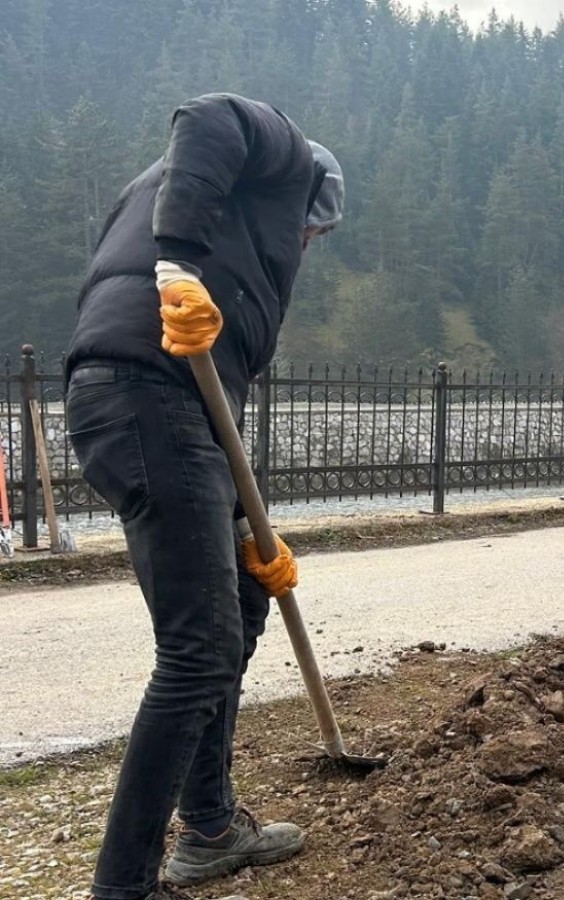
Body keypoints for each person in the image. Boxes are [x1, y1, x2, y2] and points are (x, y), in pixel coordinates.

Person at [65, 93, 344, 900]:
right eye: (310, 233)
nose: (303, 246)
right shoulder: (282, 159)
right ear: (302, 200)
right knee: (197, 654)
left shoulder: (197, 231)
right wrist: (179, 260)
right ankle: (123, 886)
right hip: (146, 395)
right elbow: (211, 113)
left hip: (161, 404)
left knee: (246, 602)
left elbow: (216, 387)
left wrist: (249, 525)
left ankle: (212, 826)